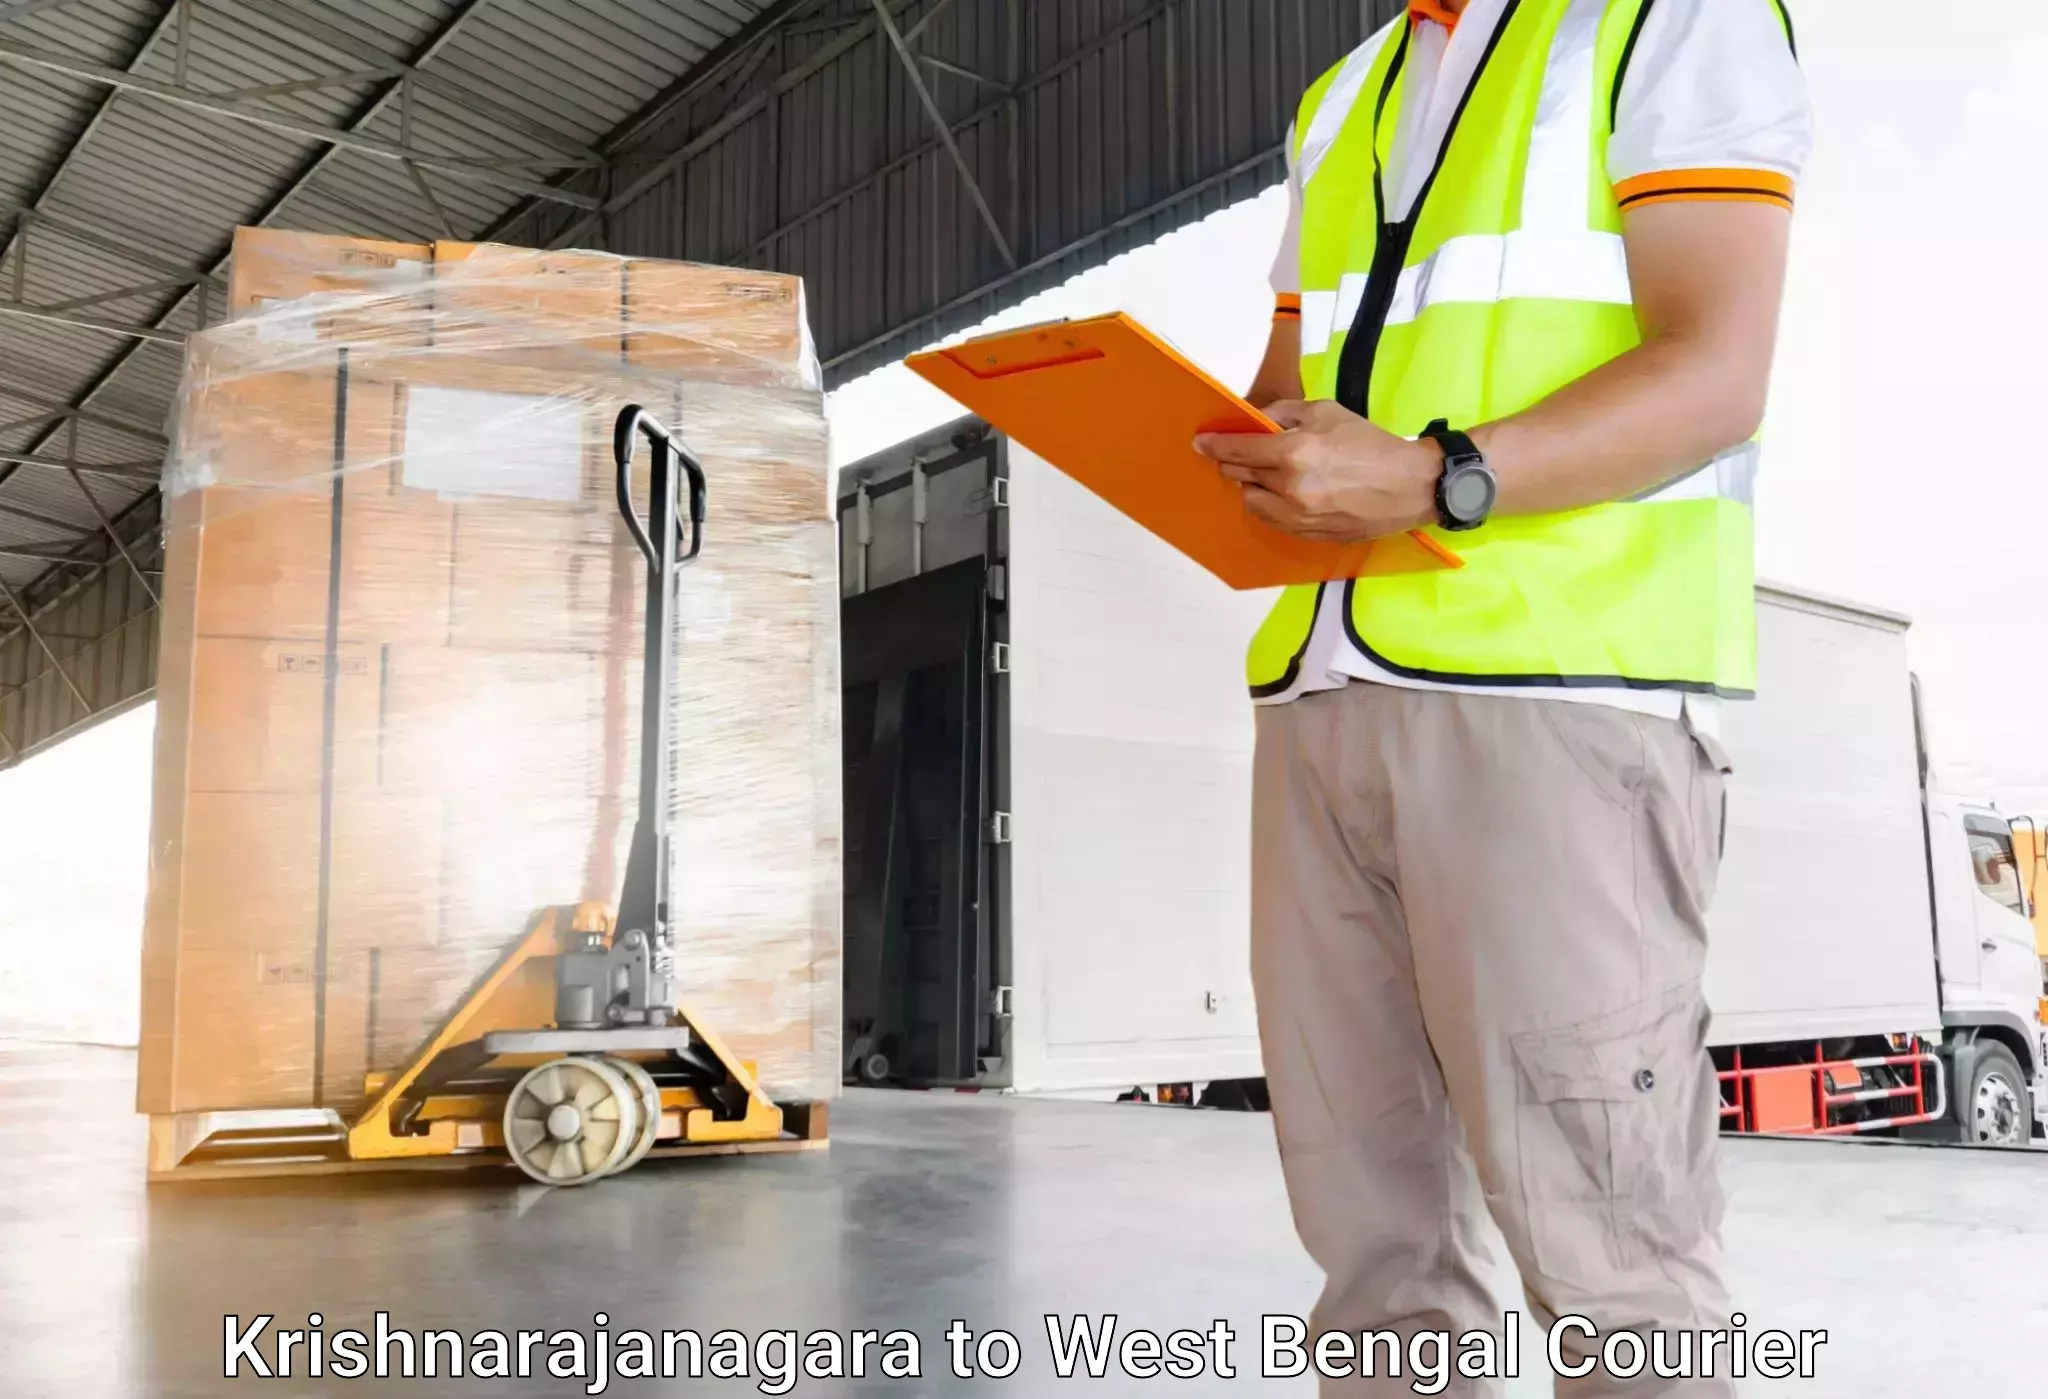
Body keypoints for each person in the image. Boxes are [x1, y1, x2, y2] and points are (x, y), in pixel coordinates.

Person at [1193, 1, 1810, 1395]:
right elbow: (1293, 385)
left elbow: (1717, 369)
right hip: (1325, 694)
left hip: (1558, 696)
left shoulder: (1666, 20)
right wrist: (1219, 452)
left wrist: (1429, 478)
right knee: (1378, 1263)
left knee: (1616, 1266)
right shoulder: (1342, 95)